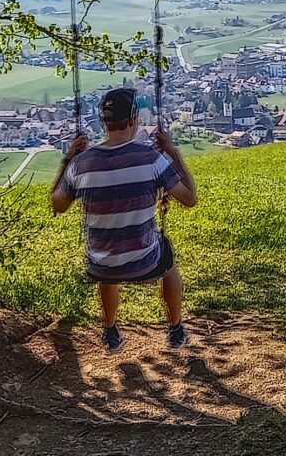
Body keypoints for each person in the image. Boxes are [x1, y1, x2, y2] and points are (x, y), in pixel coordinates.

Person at [50, 86, 199, 352]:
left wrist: (68, 158)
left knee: (106, 251)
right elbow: (189, 198)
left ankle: (110, 331)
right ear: (132, 120)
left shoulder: (81, 163)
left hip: (100, 265)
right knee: (167, 254)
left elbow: (57, 204)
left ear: (103, 122)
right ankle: (175, 328)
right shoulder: (151, 159)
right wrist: (173, 153)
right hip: (146, 263)